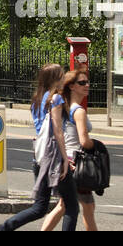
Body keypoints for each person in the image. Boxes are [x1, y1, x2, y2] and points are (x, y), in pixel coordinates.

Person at [0, 69, 79, 232]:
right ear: (55, 78)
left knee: (40, 207)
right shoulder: (56, 98)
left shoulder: (37, 100)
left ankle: (2, 229)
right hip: (54, 157)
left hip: (40, 156)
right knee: (72, 207)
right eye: (61, 75)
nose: (63, 78)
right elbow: (58, 130)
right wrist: (65, 160)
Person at [42, 71, 98, 231]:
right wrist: (97, 146)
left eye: (87, 82)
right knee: (84, 207)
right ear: (72, 86)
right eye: (82, 83)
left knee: (66, 205)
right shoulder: (78, 111)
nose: (87, 85)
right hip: (77, 165)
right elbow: (84, 141)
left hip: (67, 162)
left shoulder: (65, 108)